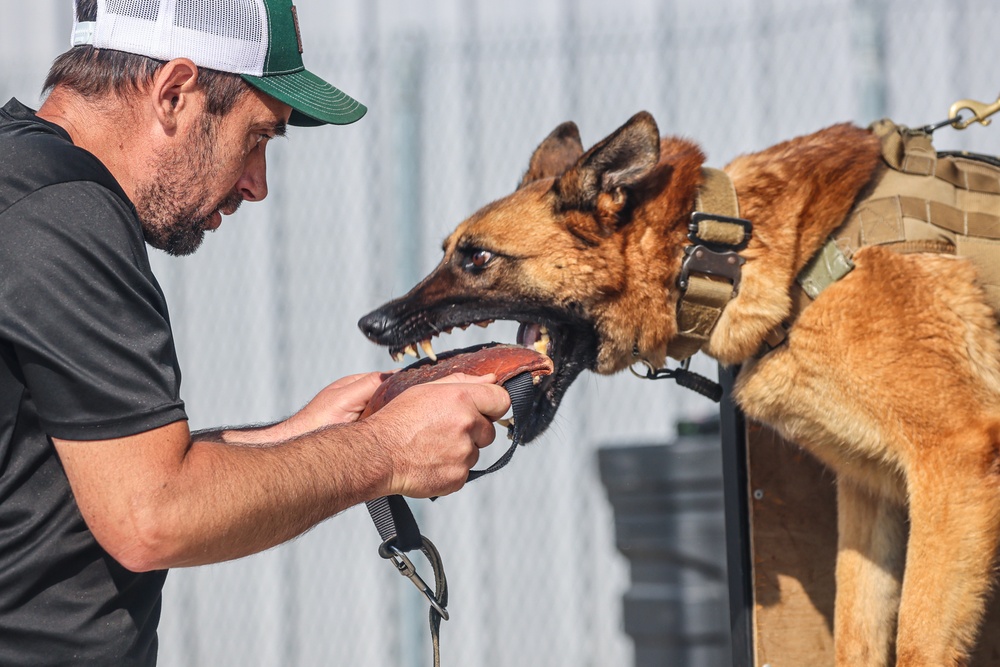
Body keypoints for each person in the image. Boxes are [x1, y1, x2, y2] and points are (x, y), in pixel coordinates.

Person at [0, 1, 511, 664]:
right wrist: (385, 450)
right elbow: (151, 513)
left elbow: (91, 474)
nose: (258, 184)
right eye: (258, 136)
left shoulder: (24, 181)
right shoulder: (65, 213)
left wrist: (306, 435)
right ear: (175, 93)